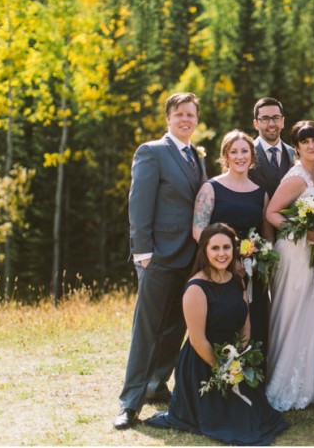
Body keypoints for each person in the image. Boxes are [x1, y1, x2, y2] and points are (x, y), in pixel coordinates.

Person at [145, 223, 289, 445]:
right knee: (229, 419)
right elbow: (197, 340)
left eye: (227, 247)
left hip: (233, 357)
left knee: (255, 414)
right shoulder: (196, 288)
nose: (222, 254)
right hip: (204, 362)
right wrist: (223, 369)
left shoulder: (237, 279)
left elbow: (245, 322)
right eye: (215, 248)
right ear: (204, 251)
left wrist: (240, 356)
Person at [117, 92, 207, 430]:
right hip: (158, 258)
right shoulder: (151, 152)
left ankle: (157, 383)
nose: (186, 119)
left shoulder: (195, 157)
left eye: (191, 115)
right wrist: (143, 254)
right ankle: (130, 403)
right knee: (147, 330)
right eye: (180, 114)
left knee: (176, 327)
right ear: (168, 117)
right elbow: (138, 204)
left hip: (190, 259)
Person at [263, 121, 314, 410]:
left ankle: (310, 381)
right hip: (295, 254)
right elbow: (271, 213)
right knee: (291, 314)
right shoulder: (296, 178)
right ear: (296, 147)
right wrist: (302, 231)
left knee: (312, 313)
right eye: (305, 142)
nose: (311, 145)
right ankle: (286, 381)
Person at [192, 130, 273, 372]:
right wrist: (225, 261)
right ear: (225, 156)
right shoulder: (211, 188)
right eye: (234, 151)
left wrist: (257, 258)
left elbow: (267, 235)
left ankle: (253, 376)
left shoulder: (261, 193)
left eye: (244, 151)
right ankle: (218, 372)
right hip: (217, 271)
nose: (240, 156)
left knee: (255, 323)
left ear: (252, 155)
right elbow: (199, 231)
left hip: (251, 272)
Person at [249, 97, 296, 200]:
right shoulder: (247, 154)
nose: (271, 124)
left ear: (282, 121)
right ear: (256, 124)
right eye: (265, 119)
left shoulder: (294, 154)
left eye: (276, 118)